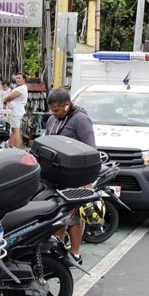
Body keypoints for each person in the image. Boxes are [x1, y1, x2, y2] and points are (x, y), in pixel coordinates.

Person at [44, 87, 96, 265]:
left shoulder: (80, 120)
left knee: (73, 216)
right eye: (51, 110)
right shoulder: (52, 120)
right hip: (55, 176)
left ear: (67, 105)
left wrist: (88, 180)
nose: (54, 113)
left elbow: (90, 149)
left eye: (57, 110)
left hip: (76, 176)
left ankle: (75, 254)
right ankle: (57, 248)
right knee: (58, 215)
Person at [2, 73, 28, 147]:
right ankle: (13, 146)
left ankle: (16, 148)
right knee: (14, 130)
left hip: (16, 111)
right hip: (15, 111)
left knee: (15, 130)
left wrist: (5, 99)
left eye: (19, 78)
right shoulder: (21, 87)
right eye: (17, 78)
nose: (17, 80)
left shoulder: (21, 88)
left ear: (24, 79)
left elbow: (9, 97)